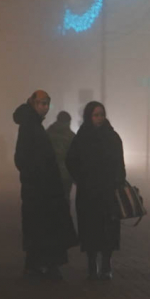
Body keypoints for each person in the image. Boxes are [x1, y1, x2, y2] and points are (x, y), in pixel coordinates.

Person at [12, 90, 77, 280]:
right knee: (41, 227)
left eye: (46, 103)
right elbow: (23, 158)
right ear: (33, 104)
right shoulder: (30, 126)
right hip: (39, 188)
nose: (44, 107)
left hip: (41, 187)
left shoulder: (34, 125)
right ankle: (41, 266)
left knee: (40, 227)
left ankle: (38, 265)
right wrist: (37, 175)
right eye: (40, 103)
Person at [66, 101, 126, 281]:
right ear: (88, 117)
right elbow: (71, 160)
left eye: (101, 114)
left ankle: (106, 265)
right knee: (90, 229)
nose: (99, 118)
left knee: (108, 229)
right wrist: (81, 179)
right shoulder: (82, 137)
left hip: (108, 192)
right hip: (88, 193)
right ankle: (92, 264)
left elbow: (119, 164)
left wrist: (118, 182)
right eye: (95, 115)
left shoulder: (112, 137)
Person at [47, 111, 76, 201]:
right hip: (66, 174)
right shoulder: (71, 136)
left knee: (52, 199)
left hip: (50, 172)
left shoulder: (48, 132)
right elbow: (74, 157)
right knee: (65, 198)